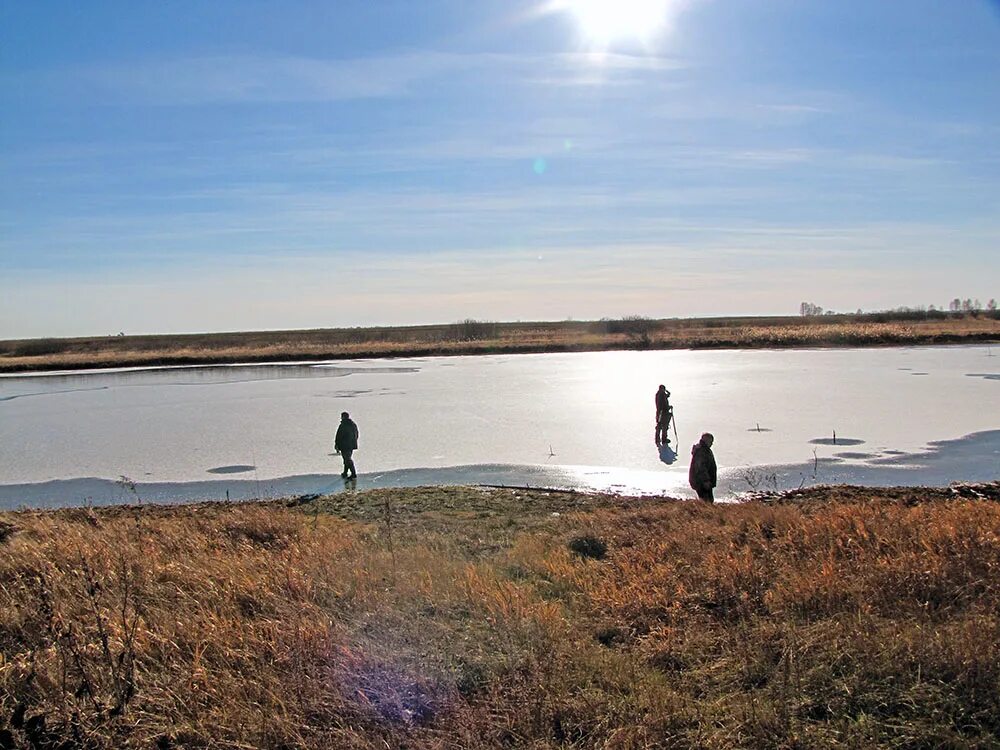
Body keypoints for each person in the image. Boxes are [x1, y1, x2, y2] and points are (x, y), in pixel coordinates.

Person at [688, 432, 717, 502]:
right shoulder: (702, 451)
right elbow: (701, 468)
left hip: (703, 481)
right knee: (707, 501)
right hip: (701, 482)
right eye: (710, 441)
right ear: (705, 440)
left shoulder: (705, 449)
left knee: (706, 501)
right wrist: (705, 480)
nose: (711, 444)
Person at [334, 411, 359, 479]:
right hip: (350, 445)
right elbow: (356, 434)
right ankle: (345, 472)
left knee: (347, 459)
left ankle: (353, 473)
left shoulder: (343, 425)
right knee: (346, 459)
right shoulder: (352, 424)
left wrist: (337, 444)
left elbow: (339, 436)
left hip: (345, 445)